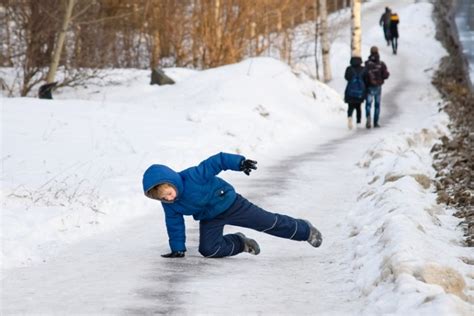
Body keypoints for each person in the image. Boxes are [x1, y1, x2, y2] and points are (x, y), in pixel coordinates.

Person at [142, 152, 323, 258]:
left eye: (168, 192)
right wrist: (178, 249)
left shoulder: (192, 176)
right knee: (208, 250)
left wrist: (240, 163)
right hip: (209, 216)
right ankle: (240, 242)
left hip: (231, 203)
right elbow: (174, 225)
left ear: (172, 181)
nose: (168, 198)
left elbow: (217, 161)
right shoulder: (170, 205)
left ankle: (305, 231)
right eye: (163, 198)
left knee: (268, 222)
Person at [364, 46, 389, 128]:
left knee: (368, 104)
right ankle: (375, 122)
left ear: (370, 52)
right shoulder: (381, 64)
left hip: (369, 87)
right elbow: (385, 75)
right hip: (378, 87)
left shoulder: (367, 63)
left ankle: (368, 117)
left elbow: (364, 75)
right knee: (377, 105)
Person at [344, 56, 367, 129]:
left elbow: (346, 77)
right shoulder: (363, 69)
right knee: (358, 107)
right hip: (360, 91)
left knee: (350, 106)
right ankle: (358, 122)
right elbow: (366, 79)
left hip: (350, 90)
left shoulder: (349, 69)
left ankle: (350, 117)